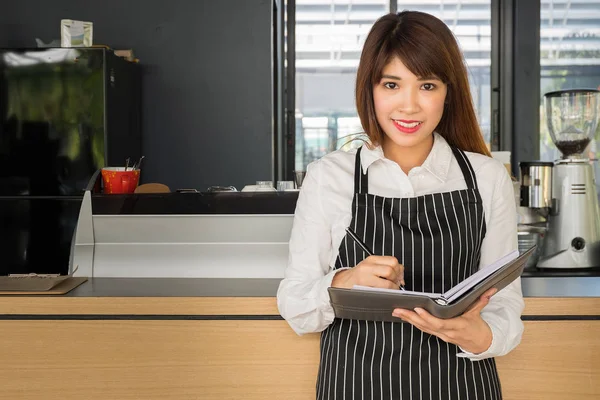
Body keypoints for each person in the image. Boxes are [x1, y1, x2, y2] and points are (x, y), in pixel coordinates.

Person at [277, 10, 524, 400]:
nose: (408, 106)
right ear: (370, 89)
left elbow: (505, 304)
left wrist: (482, 336)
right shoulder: (330, 176)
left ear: (448, 91)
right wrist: (345, 281)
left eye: (426, 85)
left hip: (459, 384)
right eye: (392, 84)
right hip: (356, 384)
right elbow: (295, 304)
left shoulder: (487, 177)